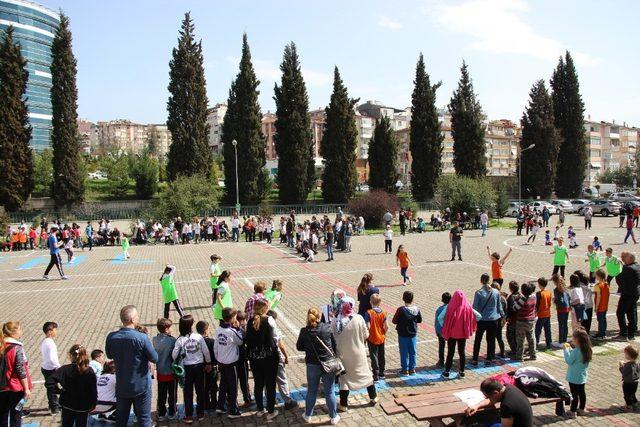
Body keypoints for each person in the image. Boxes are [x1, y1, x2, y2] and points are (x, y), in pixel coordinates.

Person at [105, 305, 158, 427]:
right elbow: (154, 358)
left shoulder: (111, 337)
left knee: (121, 420)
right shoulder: (141, 338)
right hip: (141, 385)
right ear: (133, 319)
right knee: (144, 419)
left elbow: (109, 354)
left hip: (122, 385)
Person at [331, 297, 377, 411]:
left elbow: (332, 337)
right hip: (358, 352)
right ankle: (373, 397)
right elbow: (366, 335)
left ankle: (343, 404)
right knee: (365, 373)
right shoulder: (358, 318)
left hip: (342, 354)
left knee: (344, 379)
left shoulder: (335, 321)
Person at [296, 308, 340, 425]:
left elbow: (299, 347)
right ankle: (333, 417)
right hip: (328, 363)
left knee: (311, 391)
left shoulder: (304, 331)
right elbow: (334, 345)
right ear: (319, 317)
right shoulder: (327, 328)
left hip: (312, 364)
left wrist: (309, 346)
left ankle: (308, 415)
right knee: (329, 392)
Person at [172, 315, 212, 423]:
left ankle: (188, 415)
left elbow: (174, 355)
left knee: (188, 392)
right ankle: (200, 413)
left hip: (187, 368)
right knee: (200, 390)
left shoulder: (180, 339)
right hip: (199, 367)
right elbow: (206, 351)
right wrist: (208, 362)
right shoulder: (198, 337)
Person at [48, 344, 97, 427]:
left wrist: (58, 391)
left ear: (71, 355)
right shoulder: (89, 371)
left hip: (68, 404)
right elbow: (93, 389)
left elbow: (49, 382)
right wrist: (94, 402)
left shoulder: (65, 369)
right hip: (83, 406)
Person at [246, 299, 280, 420]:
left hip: (254, 357)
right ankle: (271, 410)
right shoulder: (269, 320)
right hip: (269, 357)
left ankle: (260, 409)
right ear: (265, 309)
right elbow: (275, 337)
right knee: (270, 384)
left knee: (258, 383)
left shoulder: (250, 321)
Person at [439, 290, 481, 378]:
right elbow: (479, 316)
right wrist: (469, 323)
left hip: (451, 334)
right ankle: (462, 372)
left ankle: (447, 372)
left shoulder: (449, 306)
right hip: (462, 333)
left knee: (450, 352)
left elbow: (440, 318)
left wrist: (445, 325)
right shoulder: (467, 307)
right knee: (462, 352)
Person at [0, 321, 33, 427]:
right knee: (16, 415)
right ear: (13, 332)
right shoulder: (16, 347)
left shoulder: (1, 345)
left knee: (2, 415)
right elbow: (20, 369)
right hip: (15, 387)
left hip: (1, 386)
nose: (21, 331)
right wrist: (26, 388)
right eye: (20, 329)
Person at [465, 378, 534, 427]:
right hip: (521, 422)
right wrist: (476, 406)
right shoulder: (508, 387)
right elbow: (492, 401)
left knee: (486, 422)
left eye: (487, 396)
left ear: (495, 393)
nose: (487, 398)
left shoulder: (506, 405)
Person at [266, 310, 298, 410]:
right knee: (281, 379)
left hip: (263, 356)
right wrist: (286, 356)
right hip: (275, 356)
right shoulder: (275, 329)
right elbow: (281, 345)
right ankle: (288, 401)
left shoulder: (259, 326)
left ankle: (271, 399)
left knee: (267, 380)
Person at [471, 273, 504, 366]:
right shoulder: (496, 292)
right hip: (494, 320)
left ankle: (475, 359)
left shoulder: (478, 293)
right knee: (491, 340)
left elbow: (475, 308)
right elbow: (499, 307)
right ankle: (490, 358)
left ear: (481, 281)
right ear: (489, 280)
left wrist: (474, 319)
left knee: (478, 340)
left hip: (482, 320)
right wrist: (503, 316)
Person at [563, 328, 593, 418]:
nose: (572, 340)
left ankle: (572, 412)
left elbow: (569, 361)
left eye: (573, 338)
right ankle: (581, 409)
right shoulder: (587, 350)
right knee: (582, 393)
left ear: (577, 340)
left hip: (573, 378)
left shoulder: (576, 351)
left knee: (574, 395)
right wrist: (571, 349)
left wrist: (566, 350)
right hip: (582, 377)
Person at [153, 318, 178, 421]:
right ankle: (172, 411)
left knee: (161, 393)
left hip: (160, 371)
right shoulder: (172, 340)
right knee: (172, 393)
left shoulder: (154, 339)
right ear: (167, 329)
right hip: (171, 371)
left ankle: (162, 412)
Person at [392, 291, 422, 375]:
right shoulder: (416, 309)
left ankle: (405, 370)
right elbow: (419, 320)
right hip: (413, 334)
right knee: (412, 352)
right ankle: (412, 369)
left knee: (404, 352)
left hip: (403, 334)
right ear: (412, 299)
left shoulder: (401, 310)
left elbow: (394, 321)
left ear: (403, 299)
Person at [196, 320, 219, 415]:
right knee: (213, 386)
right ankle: (214, 402)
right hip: (212, 367)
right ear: (206, 330)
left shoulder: (197, 342)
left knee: (203, 386)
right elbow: (215, 355)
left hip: (201, 367)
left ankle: (206, 403)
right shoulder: (211, 341)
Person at [616, 252, 640, 341]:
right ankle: (631, 334)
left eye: (625, 258)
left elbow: (619, 279)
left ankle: (623, 333)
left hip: (627, 293)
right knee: (631, 313)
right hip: (635, 293)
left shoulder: (628, 268)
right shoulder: (637, 266)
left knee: (620, 312)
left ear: (629, 259)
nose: (623, 259)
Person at [364, 293, 388, 381]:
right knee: (381, 355)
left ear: (370, 302)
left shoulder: (369, 313)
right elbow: (387, 326)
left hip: (372, 338)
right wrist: (383, 333)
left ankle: (375, 374)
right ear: (380, 302)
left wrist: (367, 335)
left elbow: (368, 326)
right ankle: (382, 372)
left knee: (373, 356)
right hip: (381, 337)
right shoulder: (384, 313)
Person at [511, 282, 537, 361]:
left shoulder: (523, 299)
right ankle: (533, 355)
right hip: (531, 320)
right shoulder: (533, 297)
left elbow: (515, 308)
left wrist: (515, 300)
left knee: (520, 340)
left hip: (522, 321)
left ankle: (519, 356)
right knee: (531, 338)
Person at [40, 321, 61, 415]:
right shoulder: (50, 344)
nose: (56, 332)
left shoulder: (45, 341)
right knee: (52, 389)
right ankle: (54, 408)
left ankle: (52, 405)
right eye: (54, 330)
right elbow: (53, 359)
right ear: (49, 332)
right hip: (50, 369)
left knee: (52, 387)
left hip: (45, 367)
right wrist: (58, 367)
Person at [619, 344, 640, 410]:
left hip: (628, 383)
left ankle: (628, 406)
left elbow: (624, 372)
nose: (625, 355)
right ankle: (635, 403)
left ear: (629, 356)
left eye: (625, 354)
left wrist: (621, 366)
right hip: (635, 382)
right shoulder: (637, 363)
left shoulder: (628, 365)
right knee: (633, 394)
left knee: (627, 395)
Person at [534, 278, 552, 350]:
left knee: (537, 330)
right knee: (547, 330)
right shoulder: (549, 292)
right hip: (547, 314)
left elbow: (537, 305)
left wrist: (535, 313)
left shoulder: (539, 294)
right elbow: (550, 303)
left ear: (539, 284)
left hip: (541, 314)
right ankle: (548, 344)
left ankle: (536, 344)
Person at [553, 274, 571, 343]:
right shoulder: (565, 288)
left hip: (561, 309)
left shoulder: (556, 290)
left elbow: (560, 300)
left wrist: (555, 301)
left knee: (561, 325)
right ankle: (564, 339)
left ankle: (561, 341)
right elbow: (569, 297)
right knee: (565, 324)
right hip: (567, 308)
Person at [435, 292, 451, 368]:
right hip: (450, 331)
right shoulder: (452, 309)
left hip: (441, 331)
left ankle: (441, 361)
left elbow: (437, 321)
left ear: (442, 300)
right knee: (451, 346)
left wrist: (437, 331)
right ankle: (449, 361)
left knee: (441, 346)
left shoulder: (439, 309)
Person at [593, 269, 610, 339]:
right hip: (605, 305)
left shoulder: (597, 286)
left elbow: (598, 297)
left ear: (599, 276)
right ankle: (603, 333)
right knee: (603, 319)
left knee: (600, 320)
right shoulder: (606, 284)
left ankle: (601, 334)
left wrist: (596, 307)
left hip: (600, 306)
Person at [505, 281, 520, 355]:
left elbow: (510, 309)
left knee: (510, 336)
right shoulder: (520, 295)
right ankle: (517, 349)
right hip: (520, 319)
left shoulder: (511, 297)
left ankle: (514, 350)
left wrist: (507, 318)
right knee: (517, 336)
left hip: (512, 320)